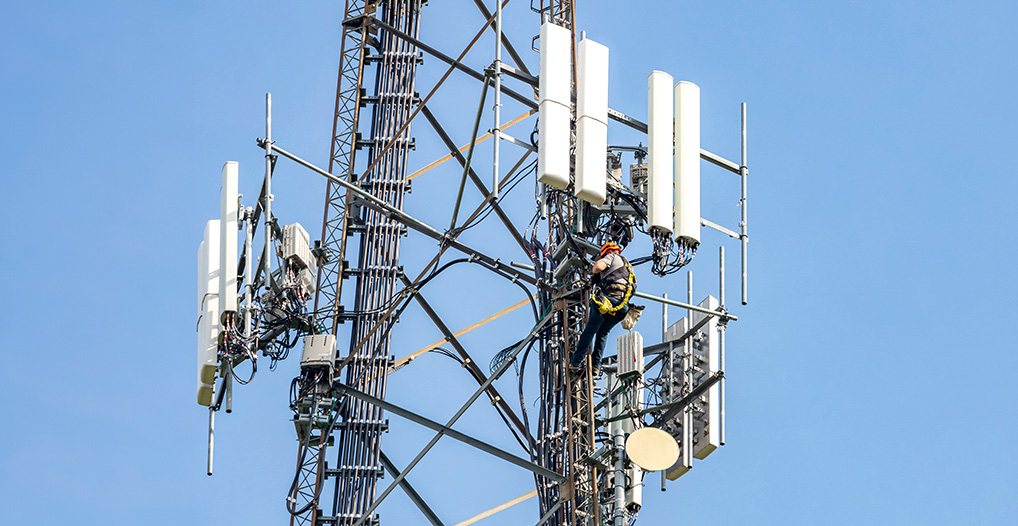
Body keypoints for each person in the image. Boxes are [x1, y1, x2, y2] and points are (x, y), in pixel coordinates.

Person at [569, 241, 636, 374]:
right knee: (603, 333)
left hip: (607, 302)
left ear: (607, 252)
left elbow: (598, 267)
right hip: (621, 308)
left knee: (590, 330)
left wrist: (593, 273)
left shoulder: (611, 257)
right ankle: (595, 366)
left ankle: (575, 362)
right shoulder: (627, 267)